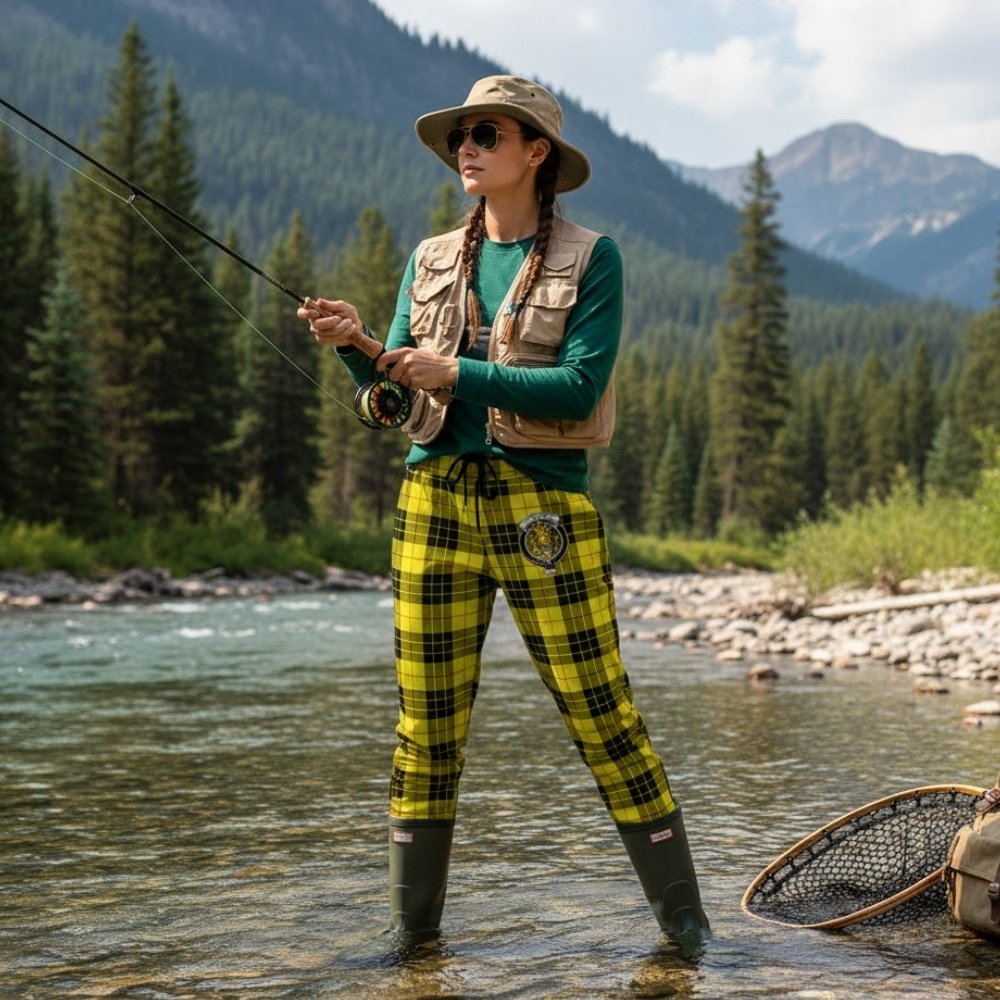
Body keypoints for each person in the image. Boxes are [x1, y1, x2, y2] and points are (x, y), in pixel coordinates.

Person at [299, 75, 710, 949]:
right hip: (432, 505)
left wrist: (456, 372)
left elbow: (579, 387)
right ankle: (414, 946)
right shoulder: (428, 257)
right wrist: (361, 353)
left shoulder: (596, 258)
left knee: (606, 720)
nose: (467, 148)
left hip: (544, 514)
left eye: (487, 132)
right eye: (460, 137)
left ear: (538, 153)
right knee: (426, 729)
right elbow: (399, 407)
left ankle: (690, 934)